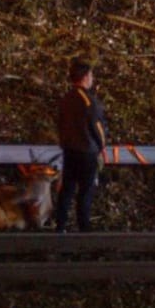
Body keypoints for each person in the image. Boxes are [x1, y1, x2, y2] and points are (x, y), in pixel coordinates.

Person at [54, 56, 109, 232]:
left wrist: (64, 143)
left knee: (67, 190)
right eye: (91, 75)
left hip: (69, 151)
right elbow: (98, 127)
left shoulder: (66, 99)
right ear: (85, 77)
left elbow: (60, 124)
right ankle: (84, 229)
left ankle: (60, 227)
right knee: (85, 192)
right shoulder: (89, 101)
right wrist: (102, 146)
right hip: (87, 152)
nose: (92, 79)